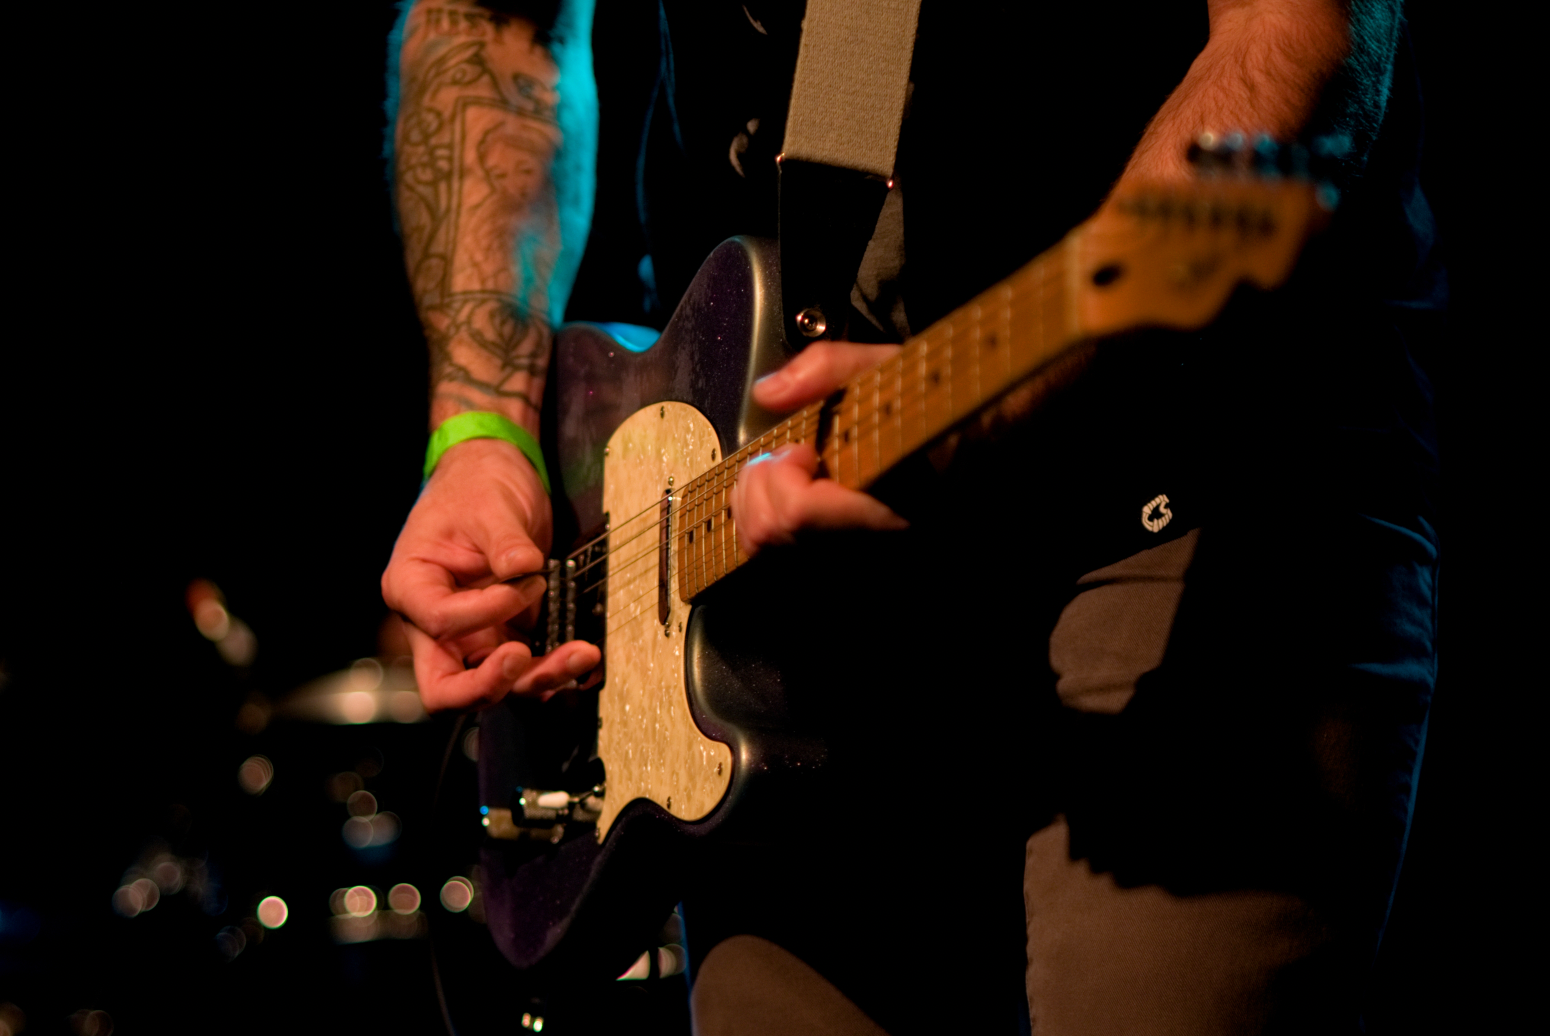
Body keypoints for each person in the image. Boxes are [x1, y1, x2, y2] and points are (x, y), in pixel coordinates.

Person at [383, 2, 1442, 1032]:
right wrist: (478, 432)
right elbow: (494, 21)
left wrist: (1019, 388)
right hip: (769, 566)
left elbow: (1296, 38)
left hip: (1191, 478)